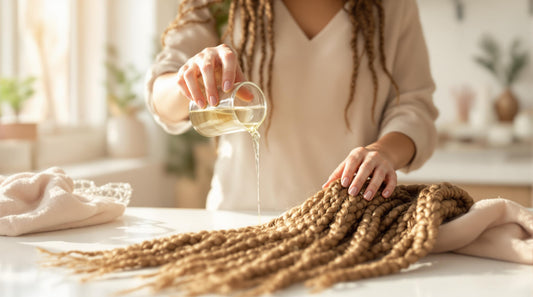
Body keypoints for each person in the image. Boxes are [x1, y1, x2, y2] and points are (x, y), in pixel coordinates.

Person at [146, 0, 438, 211]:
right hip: (238, 217)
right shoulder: (219, 5)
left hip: (347, 221)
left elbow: (415, 107)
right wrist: (190, 78)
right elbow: (161, 100)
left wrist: (383, 152)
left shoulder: (393, 7)